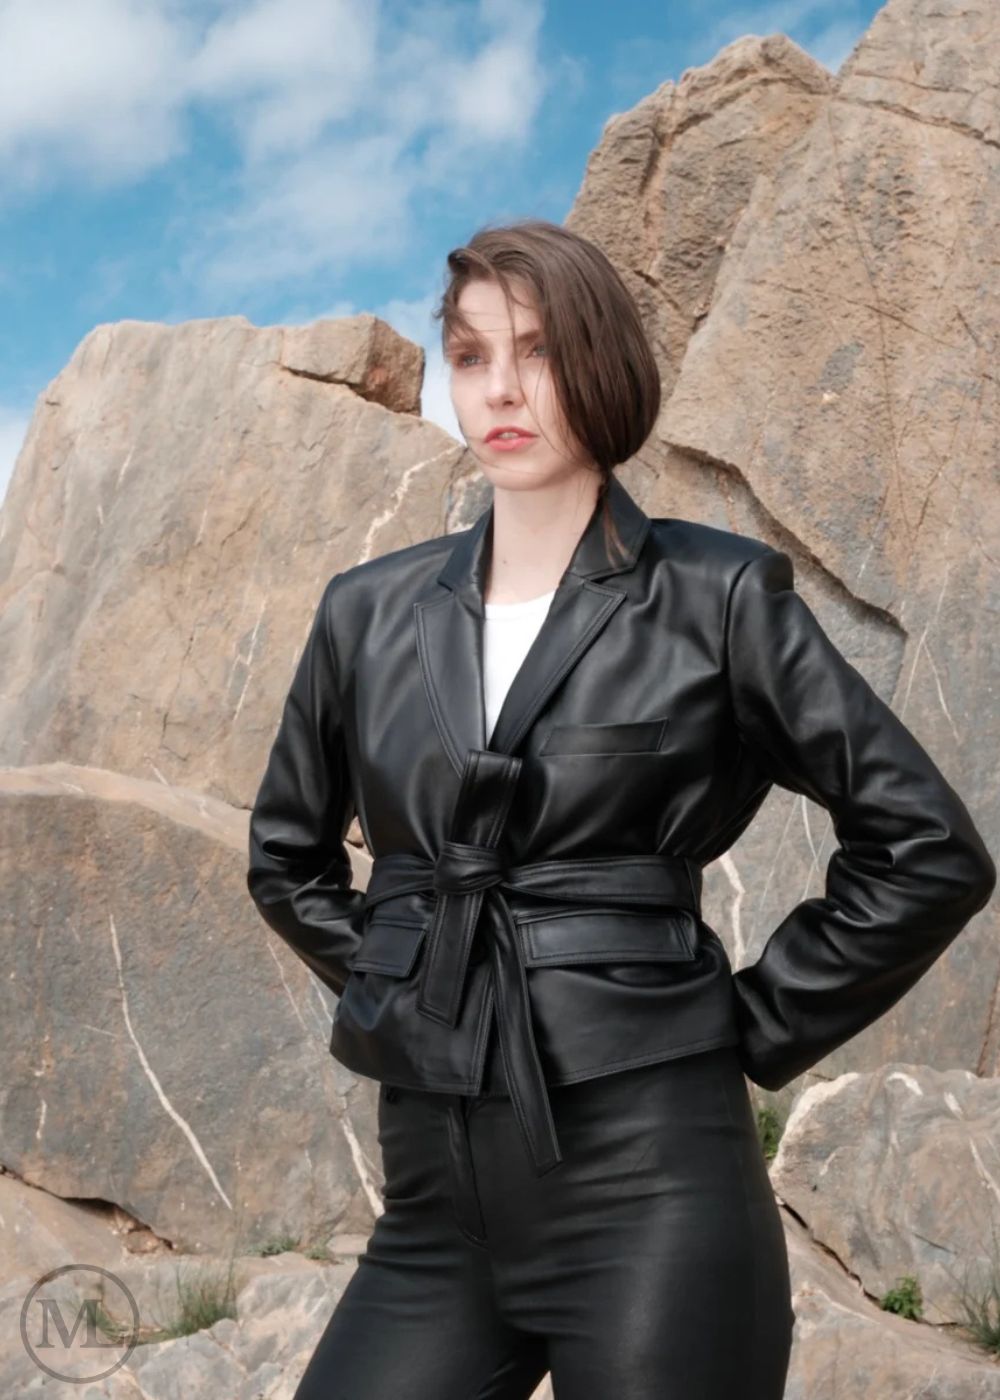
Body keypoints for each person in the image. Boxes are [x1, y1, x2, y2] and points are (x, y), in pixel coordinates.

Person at [246, 219, 996, 1399]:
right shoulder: (365, 613)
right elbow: (286, 861)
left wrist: (749, 1023)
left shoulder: (719, 595)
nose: (499, 387)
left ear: (599, 362)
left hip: (655, 1194)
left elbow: (926, 850)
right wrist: (413, 981)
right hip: (435, 1210)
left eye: (535, 351)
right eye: (471, 353)